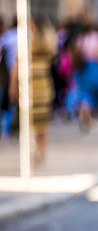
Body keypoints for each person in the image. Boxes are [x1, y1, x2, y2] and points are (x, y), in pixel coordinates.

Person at [29, 18, 56, 165]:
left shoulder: (28, 47)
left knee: (31, 122)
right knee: (43, 124)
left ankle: (33, 152)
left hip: (31, 87)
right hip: (44, 86)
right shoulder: (47, 46)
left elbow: (16, 68)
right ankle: (42, 152)